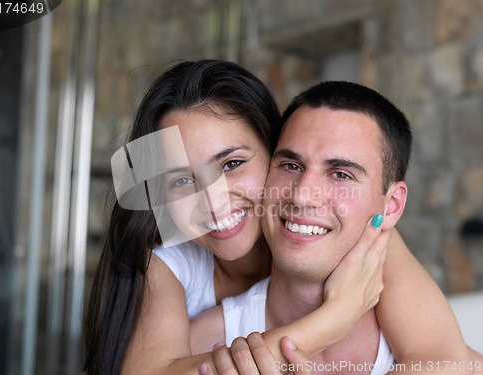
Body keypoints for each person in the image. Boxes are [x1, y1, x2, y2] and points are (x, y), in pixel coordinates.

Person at [83, 60, 470, 375]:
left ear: (273, 153)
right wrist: (333, 318)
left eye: (232, 163)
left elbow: (452, 361)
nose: (214, 203)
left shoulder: (363, 233)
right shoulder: (167, 261)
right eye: (182, 180)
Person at [191, 81, 474, 374]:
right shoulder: (205, 345)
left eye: (340, 174)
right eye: (290, 166)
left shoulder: (439, 354)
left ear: (390, 207)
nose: (301, 196)